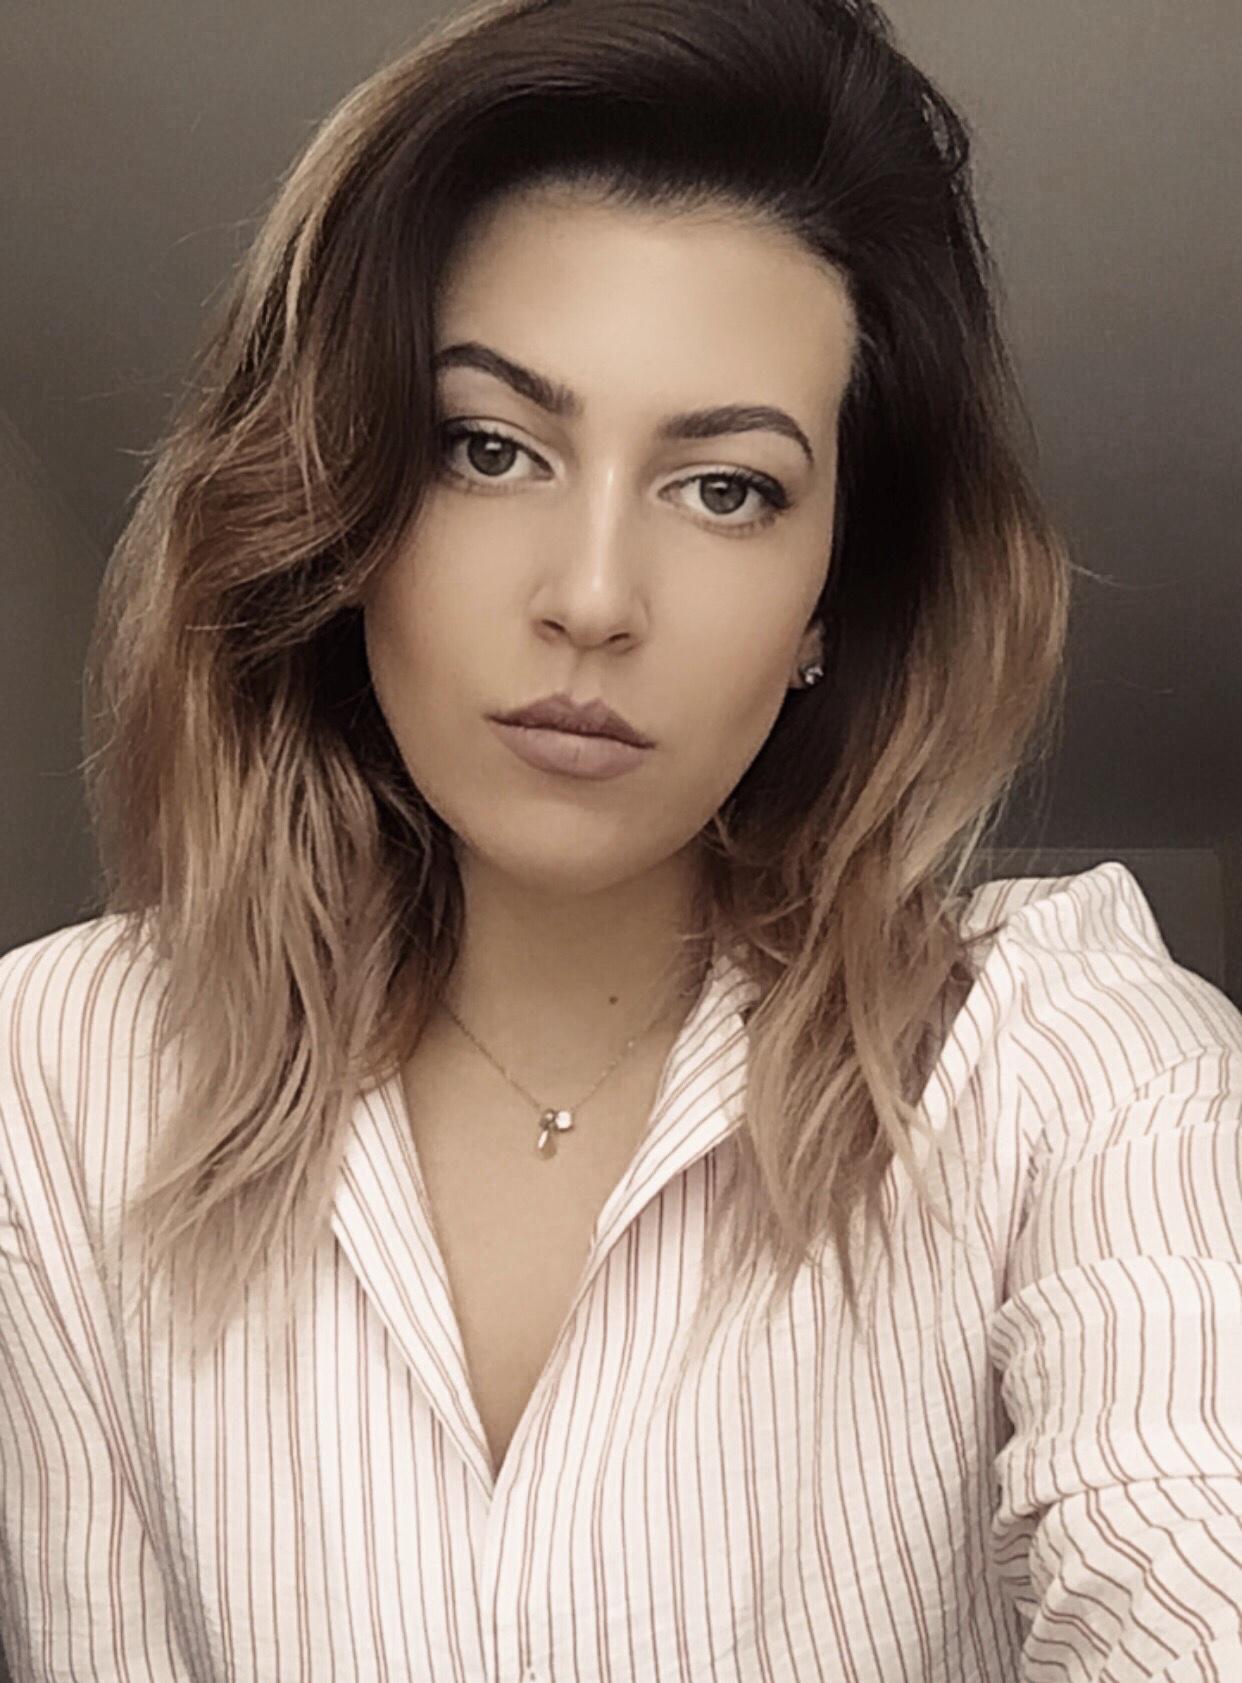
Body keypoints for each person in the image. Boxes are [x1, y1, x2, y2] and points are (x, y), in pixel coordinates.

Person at [1, 0, 1240, 1678]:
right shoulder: (57, 1073)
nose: (591, 599)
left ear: (829, 600)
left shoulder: (1067, 1061)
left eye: (725, 487)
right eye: (488, 448)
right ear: (344, 507)